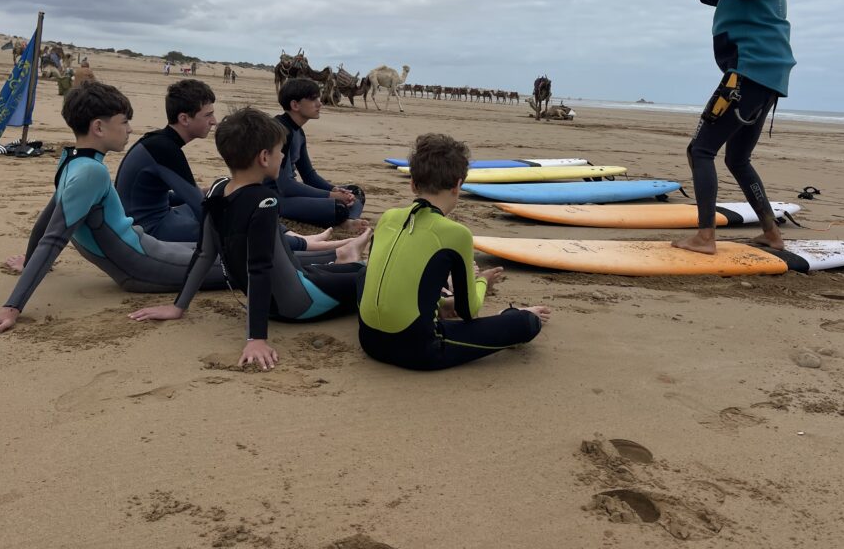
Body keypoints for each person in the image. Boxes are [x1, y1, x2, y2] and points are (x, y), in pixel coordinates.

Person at [0, 82, 226, 336]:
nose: (130, 130)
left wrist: (28, 261)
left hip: (149, 247)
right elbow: (53, 238)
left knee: (224, 248)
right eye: (124, 122)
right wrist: (11, 307)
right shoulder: (91, 173)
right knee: (240, 264)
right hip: (144, 266)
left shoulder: (72, 162)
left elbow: (45, 222)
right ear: (98, 127)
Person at [128, 108, 371, 370]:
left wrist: (179, 307)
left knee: (339, 270)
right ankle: (350, 260)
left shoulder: (217, 189)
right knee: (367, 276)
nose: (282, 157)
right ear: (264, 157)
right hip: (300, 304)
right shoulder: (264, 201)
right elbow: (259, 268)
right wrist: (256, 339)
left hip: (289, 289)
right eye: (280, 152)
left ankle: (347, 258)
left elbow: (205, 254)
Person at [629, 0, 796, 254]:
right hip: (767, 79)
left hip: (747, 74)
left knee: (701, 151)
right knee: (737, 159)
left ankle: (705, 237)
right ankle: (772, 233)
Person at [358, 133, 550, 371]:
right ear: (458, 185)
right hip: (418, 350)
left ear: (413, 184)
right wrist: (482, 282)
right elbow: (468, 311)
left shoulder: (388, 217)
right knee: (526, 323)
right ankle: (509, 314)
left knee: (370, 276)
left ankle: (441, 305)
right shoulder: (457, 234)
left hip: (368, 340)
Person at [115, 79, 217, 242]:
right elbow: (201, 207)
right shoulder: (165, 150)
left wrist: (206, 192)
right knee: (230, 228)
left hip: (148, 219)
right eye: (208, 115)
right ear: (184, 119)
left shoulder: (157, 141)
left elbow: (156, 198)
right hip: (147, 230)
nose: (214, 121)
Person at [270, 78, 368, 231]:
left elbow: (309, 175)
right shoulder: (280, 131)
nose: (319, 103)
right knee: (339, 207)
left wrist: (334, 189)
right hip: (274, 198)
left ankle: (348, 220)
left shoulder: (298, 132)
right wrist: (330, 196)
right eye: (313, 99)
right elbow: (286, 186)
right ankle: (343, 218)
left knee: (355, 193)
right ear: (295, 105)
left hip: (291, 194)